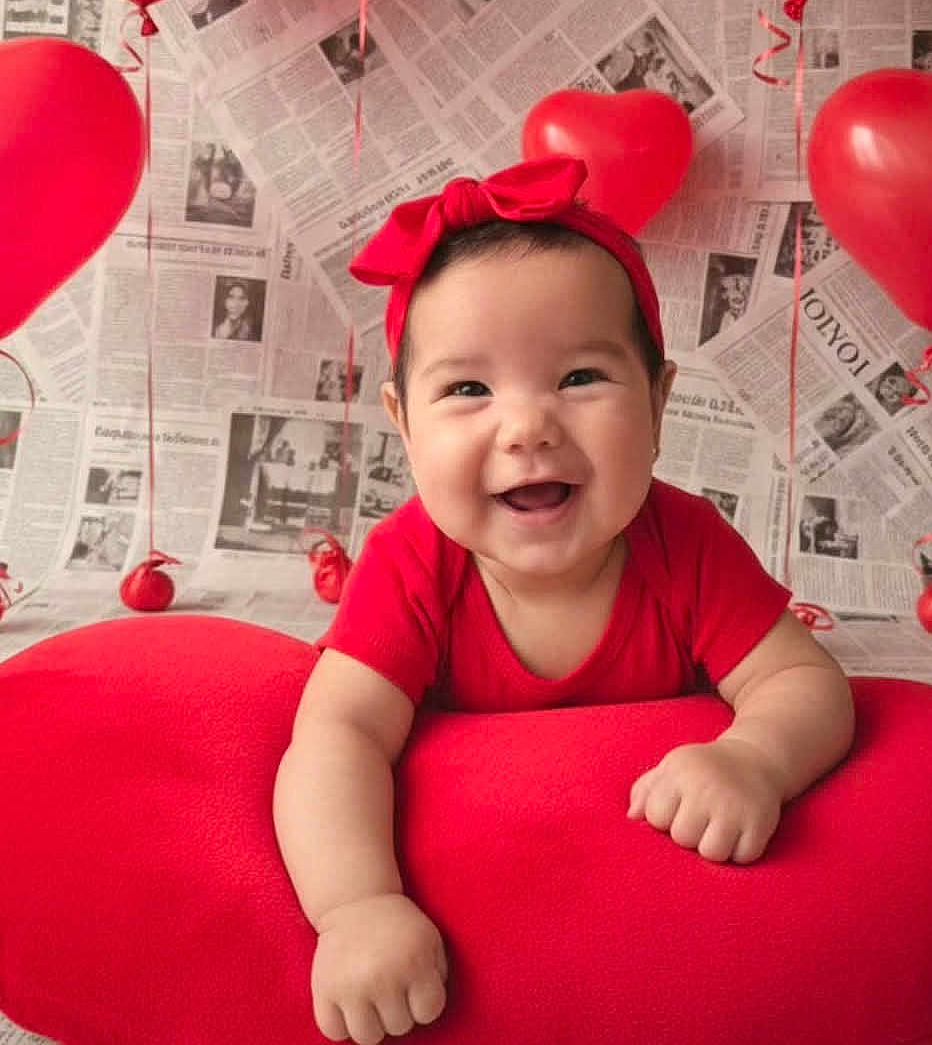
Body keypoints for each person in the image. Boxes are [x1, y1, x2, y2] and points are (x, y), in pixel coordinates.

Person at [273, 156, 855, 1045]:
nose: (527, 427)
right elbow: (337, 735)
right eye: (468, 389)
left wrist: (754, 760)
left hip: (640, 927)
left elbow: (802, 680)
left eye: (580, 377)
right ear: (403, 423)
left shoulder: (686, 544)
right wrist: (356, 907)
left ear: (658, 403)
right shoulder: (411, 564)